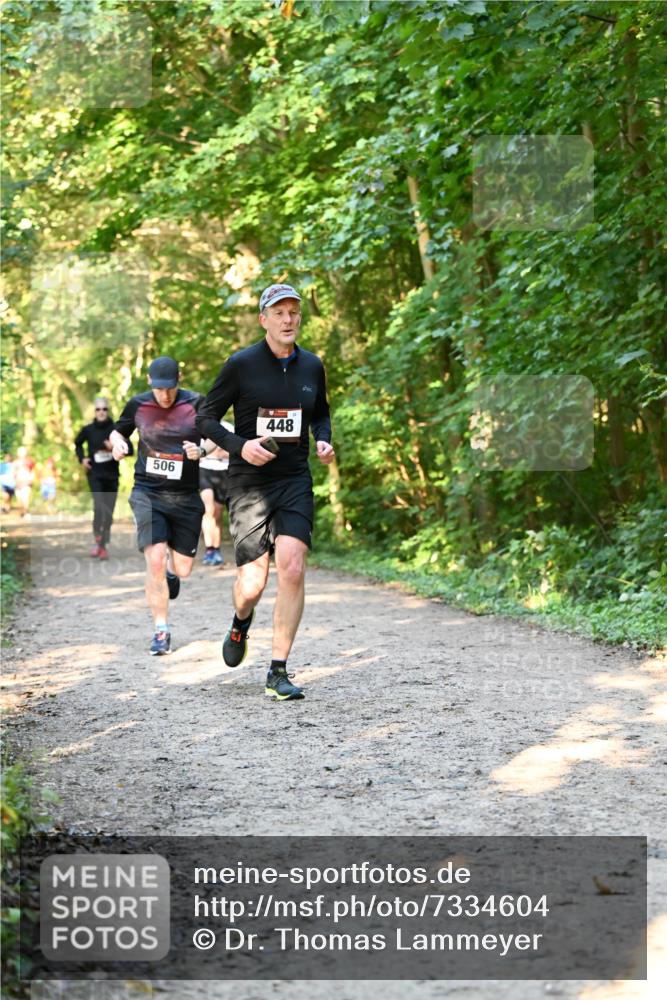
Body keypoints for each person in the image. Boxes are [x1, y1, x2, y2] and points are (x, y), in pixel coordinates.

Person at [196, 282, 334, 701]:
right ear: (263, 320)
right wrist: (241, 446)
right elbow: (205, 418)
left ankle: (278, 670)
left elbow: (321, 413)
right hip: (249, 482)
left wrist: (324, 439)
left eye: (294, 312)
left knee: (292, 566)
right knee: (253, 585)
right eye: (279, 313)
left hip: (294, 479)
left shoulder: (312, 365)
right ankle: (240, 622)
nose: (289, 319)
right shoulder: (241, 365)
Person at [109, 356, 217, 656]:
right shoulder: (138, 405)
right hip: (148, 492)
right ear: (149, 382)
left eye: (170, 388)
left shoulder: (196, 402)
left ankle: (172, 572)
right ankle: (161, 629)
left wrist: (201, 449)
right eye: (159, 389)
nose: (165, 395)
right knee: (155, 558)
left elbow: (216, 437)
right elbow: (119, 430)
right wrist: (118, 443)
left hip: (185, 497)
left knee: (181, 569)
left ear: (179, 379)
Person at [75, 398, 132, 559]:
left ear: (108, 411)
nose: (101, 412)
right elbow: (77, 444)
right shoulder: (88, 429)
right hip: (95, 474)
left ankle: (103, 544)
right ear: (94, 411)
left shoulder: (116, 430)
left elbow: (131, 450)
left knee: (108, 511)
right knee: (99, 506)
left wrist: (114, 447)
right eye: (98, 409)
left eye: (104, 409)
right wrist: (82, 459)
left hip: (112, 476)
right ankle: (99, 543)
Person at [199, 419, 234, 566]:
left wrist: (218, 452)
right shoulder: (201, 426)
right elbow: (198, 452)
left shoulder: (228, 427)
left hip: (224, 472)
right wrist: (214, 452)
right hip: (205, 470)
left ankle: (216, 549)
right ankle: (209, 549)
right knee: (208, 510)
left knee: (218, 513)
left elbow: (234, 451)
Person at [12, 446, 35, 517]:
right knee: (19, 499)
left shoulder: (29, 461)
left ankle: (26, 512)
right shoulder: (15, 463)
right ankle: (22, 511)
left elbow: (33, 471)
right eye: (20, 452)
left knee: (25, 498)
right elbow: (13, 473)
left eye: (23, 452)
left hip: (26, 482)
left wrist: (31, 479)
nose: (22, 454)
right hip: (18, 483)